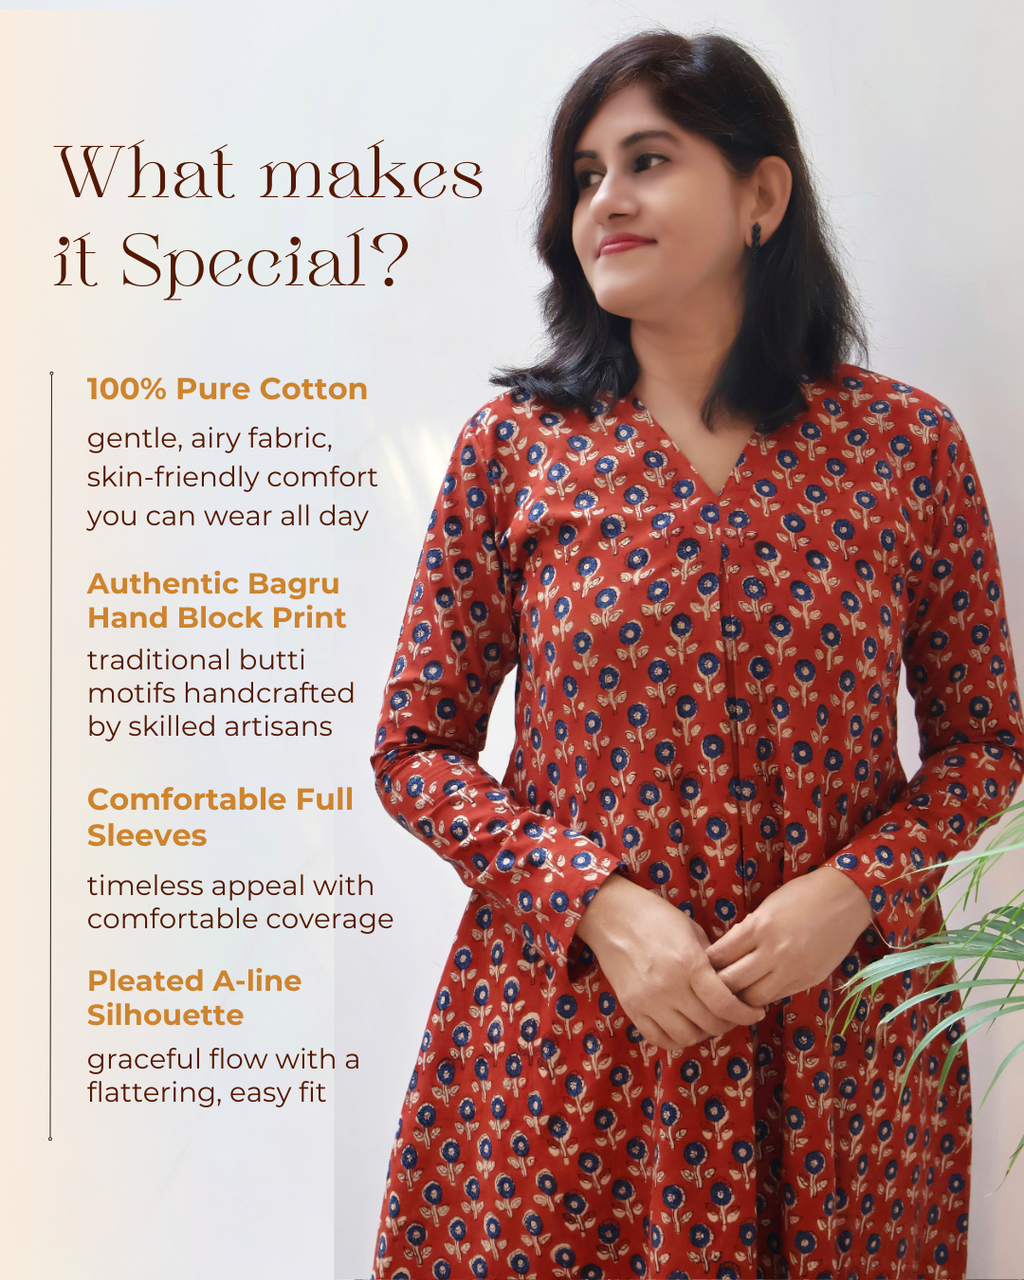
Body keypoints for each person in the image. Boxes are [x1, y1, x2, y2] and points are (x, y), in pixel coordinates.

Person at [368, 30, 1023, 1279]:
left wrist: (852, 889)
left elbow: (986, 742)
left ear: (762, 194)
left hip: (841, 1043)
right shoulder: (516, 449)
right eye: (583, 175)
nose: (603, 201)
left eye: (648, 160)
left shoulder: (904, 448)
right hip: (568, 1037)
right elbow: (415, 748)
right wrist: (595, 903)